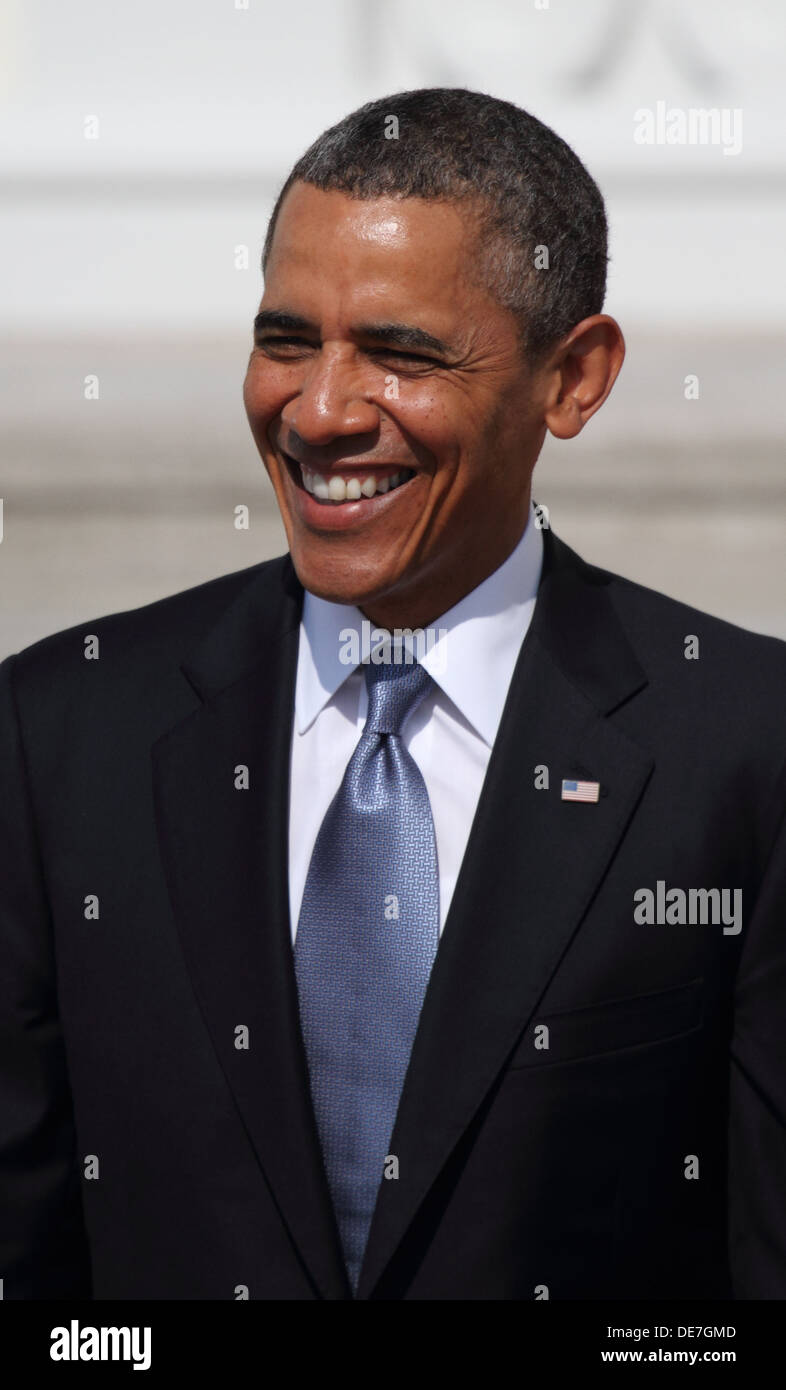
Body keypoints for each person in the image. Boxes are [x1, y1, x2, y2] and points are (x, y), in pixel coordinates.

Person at [1, 88, 784, 1301]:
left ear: (573, 378)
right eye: (286, 340)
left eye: (401, 353)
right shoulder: (58, 738)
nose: (319, 411)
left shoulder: (743, 748)